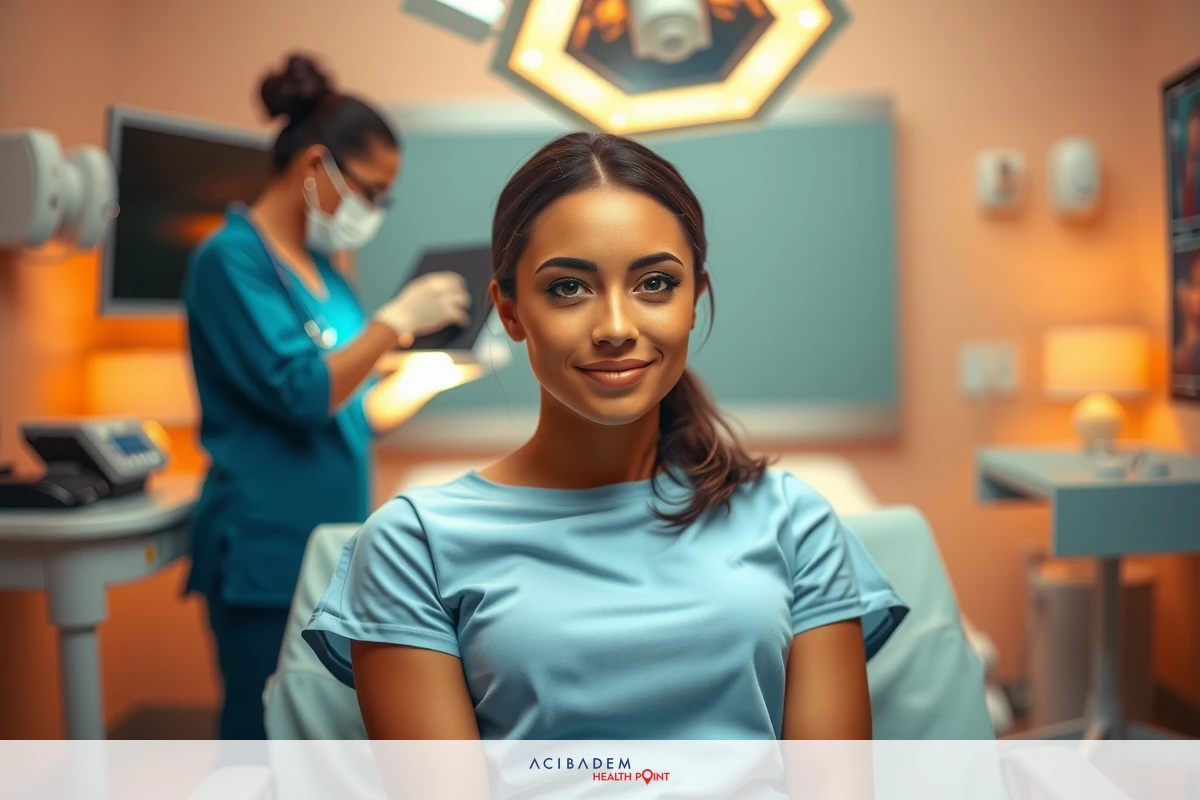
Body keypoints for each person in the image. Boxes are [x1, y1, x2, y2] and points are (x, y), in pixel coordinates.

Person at [303, 133, 908, 740]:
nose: (616, 328)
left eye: (655, 284)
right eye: (568, 287)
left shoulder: (796, 523)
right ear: (509, 311)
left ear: (694, 298)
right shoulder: (414, 545)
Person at [182, 53, 471, 740]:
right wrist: (396, 320)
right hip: (264, 552)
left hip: (331, 547)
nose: (373, 210)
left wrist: (432, 377)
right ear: (316, 167)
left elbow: (358, 411)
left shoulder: (326, 276)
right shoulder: (230, 262)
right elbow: (305, 394)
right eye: (371, 191)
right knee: (261, 741)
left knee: (326, 744)